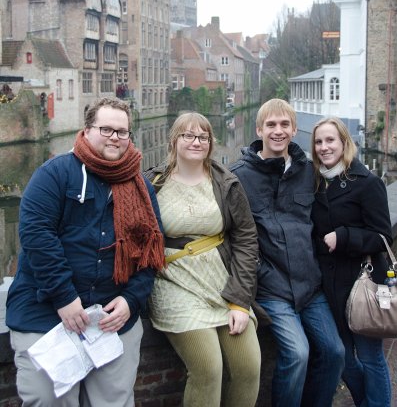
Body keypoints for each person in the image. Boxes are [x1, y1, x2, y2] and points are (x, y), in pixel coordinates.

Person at [6, 97, 164, 407]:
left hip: (110, 319)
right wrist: (64, 297)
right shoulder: (54, 174)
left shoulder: (142, 188)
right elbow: (37, 237)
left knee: (113, 402)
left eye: (122, 132)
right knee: (48, 400)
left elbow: (151, 254)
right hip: (44, 311)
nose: (114, 137)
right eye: (106, 129)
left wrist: (132, 301)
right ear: (87, 130)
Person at [230, 98, 345, 407]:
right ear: (259, 129)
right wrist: (258, 272)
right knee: (297, 353)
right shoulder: (239, 175)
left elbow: (346, 185)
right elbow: (232, 236)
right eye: (271, 125)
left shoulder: (310, 170)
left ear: (294, 129)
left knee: (335, 353)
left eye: (284, 125)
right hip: (271, 288)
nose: (278, 131)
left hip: (310, 285)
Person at [145, 112, 262, 407]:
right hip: (174, 285)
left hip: (221, 284)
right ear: (174, 140)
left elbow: (247, 239)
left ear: (211, 142)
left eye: (203, 137)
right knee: (208, 369)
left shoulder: (226, 183)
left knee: (249, 367)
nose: (196, 142)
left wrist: (239, 301)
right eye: (188, 135)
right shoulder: (152, 183)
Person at [311, 117, 393, 407]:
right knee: (343, 358)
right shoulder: (316, 182)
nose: (324, 147)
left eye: (330, 140)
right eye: (318, 142)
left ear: (344, 143)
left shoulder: (367, 182)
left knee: (370, 358)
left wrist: (344, 237)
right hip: (329, 288)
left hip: (362, 285)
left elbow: (383, 237)